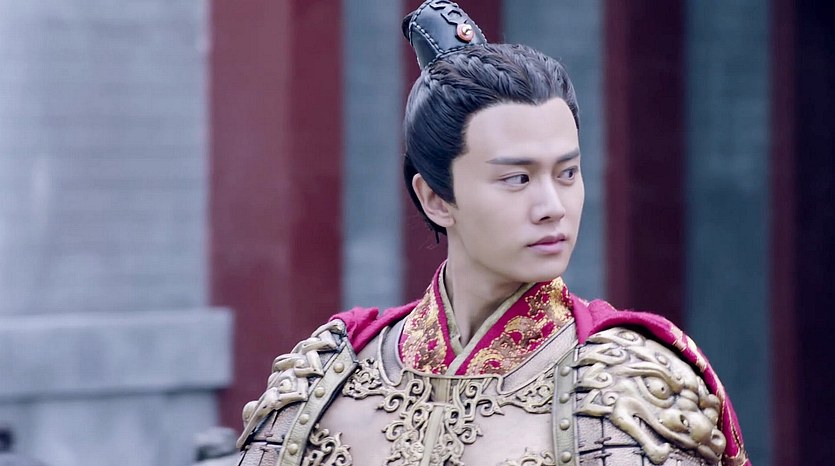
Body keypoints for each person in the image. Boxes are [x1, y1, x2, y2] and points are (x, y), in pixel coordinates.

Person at [235, 1, 750, 465]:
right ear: (436, 199)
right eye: (517, 179)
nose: (552, 208)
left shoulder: (629, 387)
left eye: (567, 173)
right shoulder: (325, 378)